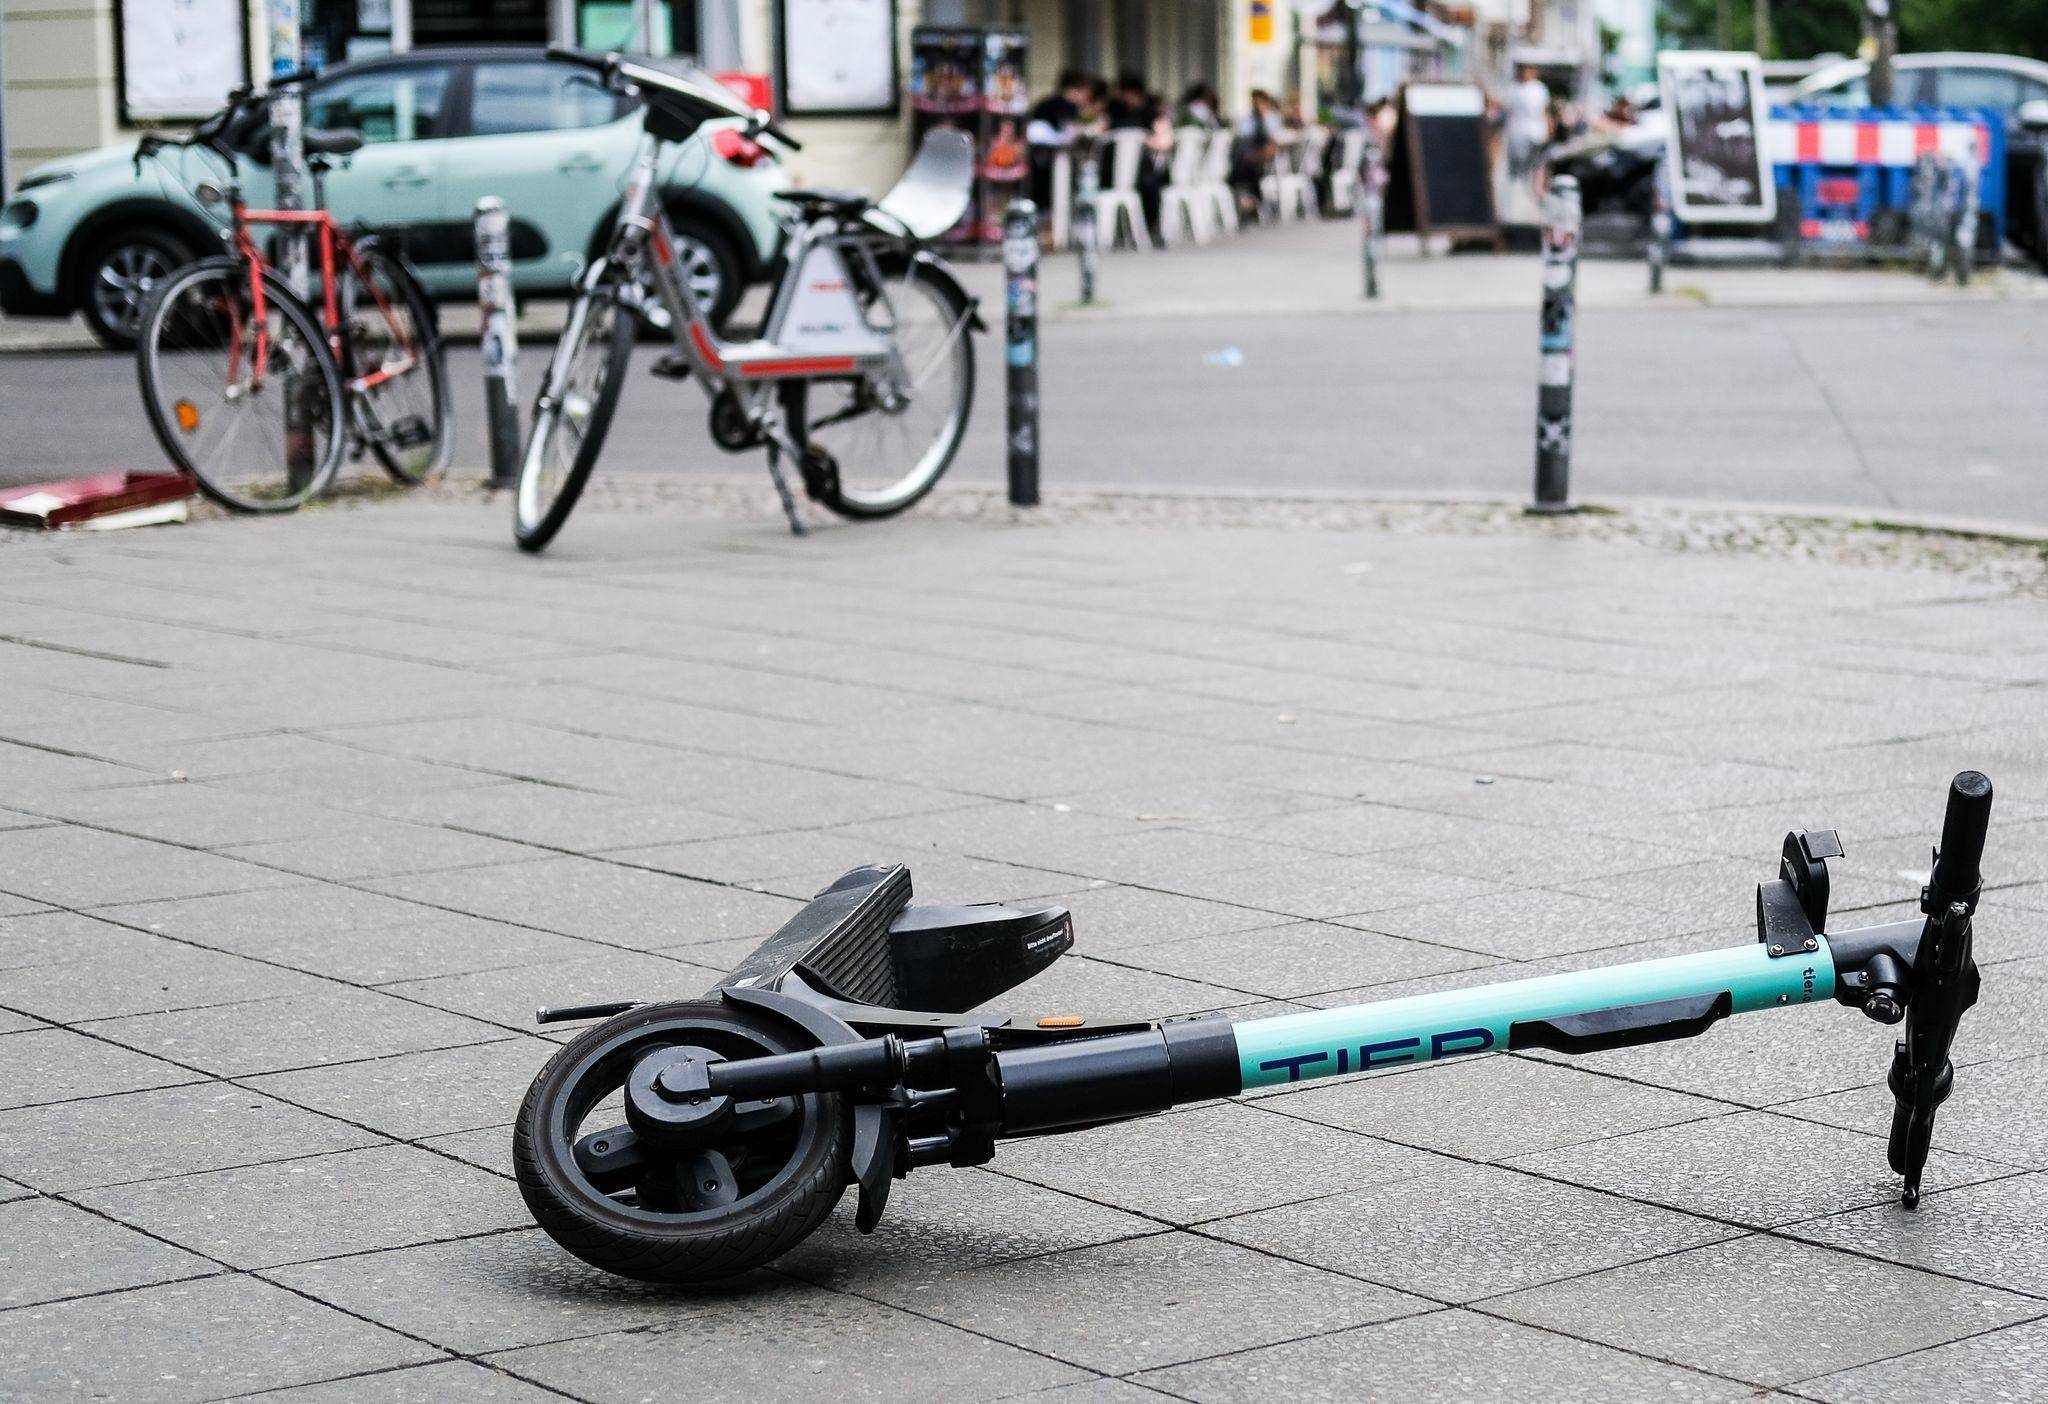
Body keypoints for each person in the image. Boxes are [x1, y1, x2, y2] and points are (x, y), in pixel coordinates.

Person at [1026, 70, 1096, 224]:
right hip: (1045, 162)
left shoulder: (1050, 103)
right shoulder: (1062, 105)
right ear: (1076, 90)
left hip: (1041, 160)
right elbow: (1066, 134)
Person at [1230, 88, 1285, 220]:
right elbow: (1241, 137)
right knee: (1241, 169)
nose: (1256, 105)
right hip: (1249, 159)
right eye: (1254, 102)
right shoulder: (1247, 119)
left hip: (1264, 161)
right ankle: (1250, 202)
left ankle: (1253, 203)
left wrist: (1257, 157)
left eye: (1259, 102)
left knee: (1247, 170)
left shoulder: (1272, 120)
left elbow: (1274, 143)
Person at [1506, 66, 1550, 182]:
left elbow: (1544, 110)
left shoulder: (1540, 89)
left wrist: (1548, 128)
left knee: (1533, 161)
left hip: (1535, 129)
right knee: (1518, 159)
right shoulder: (1515, 88)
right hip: (1518, 129)